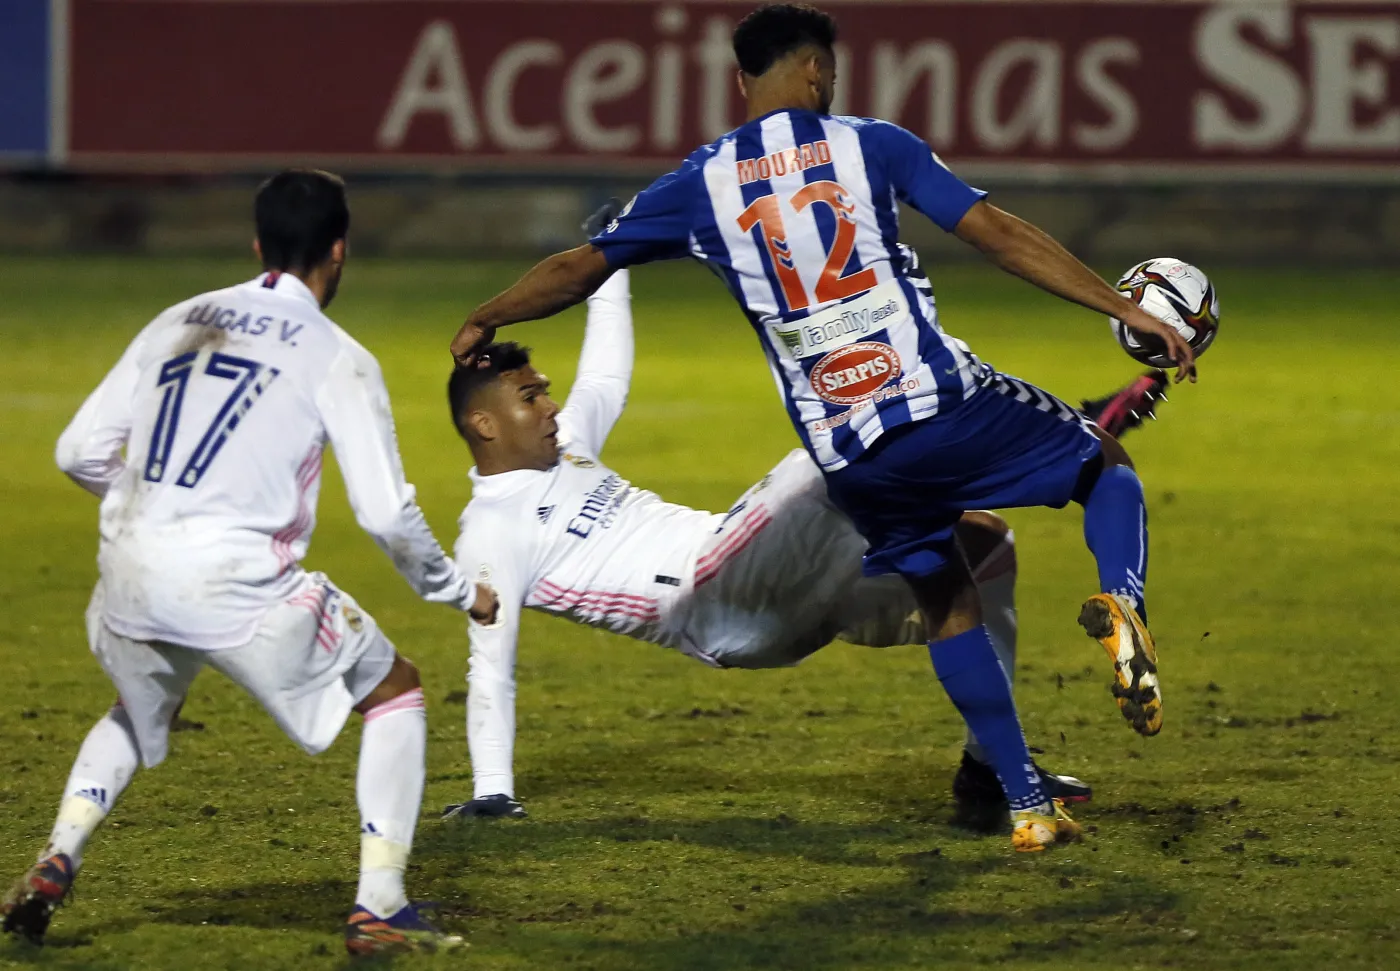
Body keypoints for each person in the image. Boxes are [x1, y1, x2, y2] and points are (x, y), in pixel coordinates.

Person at [450, 4, 1196, 852]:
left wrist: (488, 315)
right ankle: (1123, 603)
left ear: (741, 82)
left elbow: (578, 268)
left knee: (951, 589)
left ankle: (1024, 801)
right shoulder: (872, 144)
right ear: (815, 72)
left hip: (849, 454)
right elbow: (998, 234)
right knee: (1103, 464)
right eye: (828, 71)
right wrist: (1118, 301)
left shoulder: (702, 182)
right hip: (932, 400)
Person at [1, 170, 496, 955]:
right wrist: (456, 588)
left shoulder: (177, 318)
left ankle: (58, 854)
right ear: (339, 251)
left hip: (128, 566)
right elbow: (383, 512)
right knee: (395, 691)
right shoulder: (338, 355)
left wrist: (153, 508)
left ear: (257, 244)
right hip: (238, 583)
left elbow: (76, 451)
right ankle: (380, 904)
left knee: (140, 703)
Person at [441, 263, 1097, 824]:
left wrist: (610, 266)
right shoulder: (490, 533)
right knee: (828, 450)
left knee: (984, 547)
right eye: (531, 397)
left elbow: (605, 379)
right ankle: (1034, 433)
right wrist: (491, 791)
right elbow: (489, 667)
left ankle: (987, 772)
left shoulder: (565, 451)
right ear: (484, 423)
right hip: (714, 599)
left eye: (546, 392)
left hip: (784, 585)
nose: (552, 407)